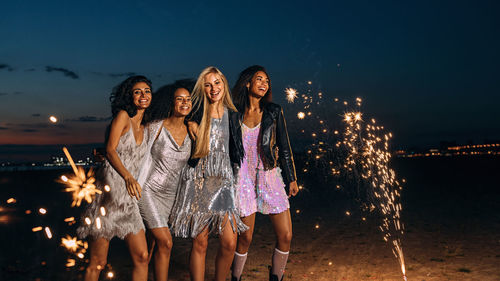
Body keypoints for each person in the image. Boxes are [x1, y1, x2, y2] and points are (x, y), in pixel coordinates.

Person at [169, 66, 248, 281]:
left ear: (224, 84)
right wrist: (189, 122)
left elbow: (238, 150)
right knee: (200, 241)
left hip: (223, 180)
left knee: (230, 242)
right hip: (199, 179)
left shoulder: (234, 115)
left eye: (217, 83)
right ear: (202, 89)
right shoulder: (195, 112)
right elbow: (174, 120)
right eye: (208, 84)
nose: (213, 88)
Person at [77, 76, 152, 281]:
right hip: (109, 196)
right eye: (138, 91)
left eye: (147, 91)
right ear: (129, 95)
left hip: (130, 200)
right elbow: (110, 150)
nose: (143, 95)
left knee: (143, 257)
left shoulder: (147, 128)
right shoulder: (122, 116)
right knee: (97, 263)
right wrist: (128, 177)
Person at [230, 65, 298, 281]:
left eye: (267, 81)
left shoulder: (274, 111)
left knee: (286, 235)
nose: (264, 84)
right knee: (245, 238)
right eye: (259, 79)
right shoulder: (234, 114)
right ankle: (235, 277)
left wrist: (291, 178)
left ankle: (276, 277)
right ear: (248, 83)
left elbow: (285, 147)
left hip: (269, 176)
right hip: (243, 178)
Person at [136, 79, 194, 281]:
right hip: (149, 191)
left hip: (172, 196)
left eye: (188, 99)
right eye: (180, 99)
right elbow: (133, 148)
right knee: (166, 242)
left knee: (153, 245)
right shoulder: (155, 128)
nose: (184, 103)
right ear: (172, 103)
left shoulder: (192, 130)